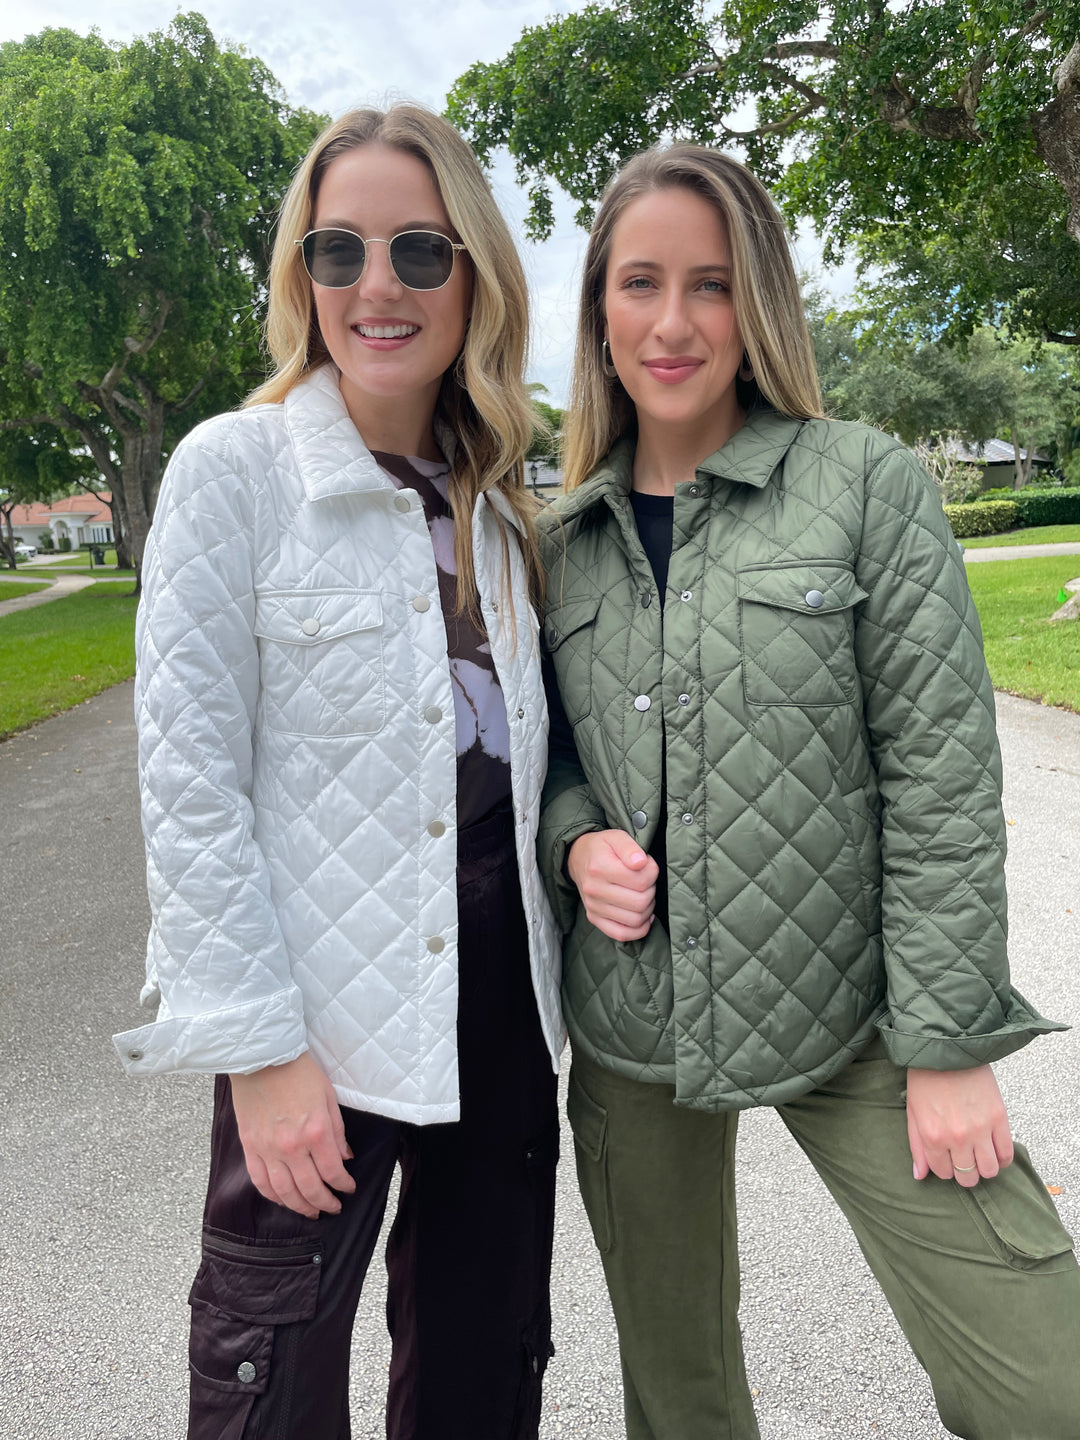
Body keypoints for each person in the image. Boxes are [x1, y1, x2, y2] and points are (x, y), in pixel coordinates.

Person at [537, 142, 1080, 1440]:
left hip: (859, 1014)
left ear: (759, 305)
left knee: (1044, 1382)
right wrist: (573, 846)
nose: (674, 322)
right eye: (641, 283)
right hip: (634, 1030)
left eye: (712, 285)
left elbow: (942, 775)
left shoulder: (864, 485)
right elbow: (542, 757)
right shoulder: (557, 544)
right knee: (682, 1404)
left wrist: (948, 1044)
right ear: (599, 312)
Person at [113, 104, 564, 1440]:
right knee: (272, 1372)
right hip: (317, 1003)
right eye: (339, 251)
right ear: (298, 277)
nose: (378, 286)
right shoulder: (234, 472)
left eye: (420, 252)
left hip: (501, 999)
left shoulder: (504, 493)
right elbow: (190, 778)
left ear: (474, 272)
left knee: (488, 1363)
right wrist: (258, 1048)